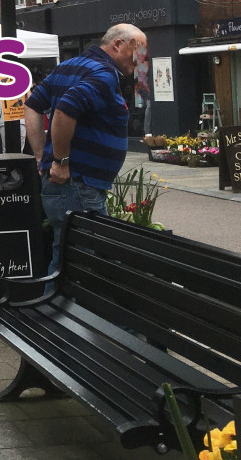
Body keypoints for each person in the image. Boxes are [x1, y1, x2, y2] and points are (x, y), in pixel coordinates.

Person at [24, 23, 148, 278]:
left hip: (65, 186)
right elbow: (65, 109)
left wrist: (41, 157)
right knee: (81, 263)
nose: (139, 62)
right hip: (80, 185)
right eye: (138, 54)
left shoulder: (68, 66)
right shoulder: (104, 74)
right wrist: (60, 161)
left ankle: (55, 313)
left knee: (65, 258)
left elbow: (33, 105)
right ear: (117, 45)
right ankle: (62, 315)